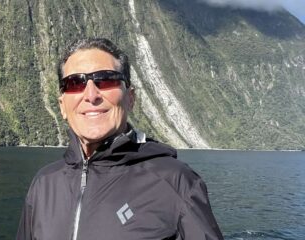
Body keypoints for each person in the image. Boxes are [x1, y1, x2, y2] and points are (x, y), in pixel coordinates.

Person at [16, 38, 224, 240]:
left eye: (106, 80)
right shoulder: (44, 184)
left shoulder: (176, 181)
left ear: (130, 98)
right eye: (75, 83)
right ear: (62, 105)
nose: (91, 95)